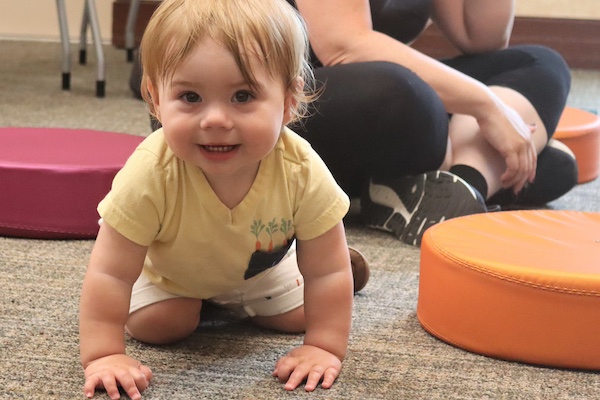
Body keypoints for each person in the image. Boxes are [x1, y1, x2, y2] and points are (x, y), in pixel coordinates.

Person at [80, 0, 369, 398]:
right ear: (155, 98)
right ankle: (221, 299)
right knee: (162, 325)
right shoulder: (151, 171)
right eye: (191, 97)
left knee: (309, 309)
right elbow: (110, 273)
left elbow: (327, 276)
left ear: (287, 101)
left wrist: (323, 346)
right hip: (171, 277)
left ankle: (326, 251)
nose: (215, 120)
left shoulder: (300, 168)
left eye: (243, 96)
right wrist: (103, 354)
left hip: (257, 270)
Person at [130, 0, 576, 247]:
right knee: (406, 93)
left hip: (351, 106)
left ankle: (463, 183)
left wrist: (486, 107)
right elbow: (347, 46)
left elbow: (481, 36)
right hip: (254, 110)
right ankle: (461, 167)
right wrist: (485, 108)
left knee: (541, 62)